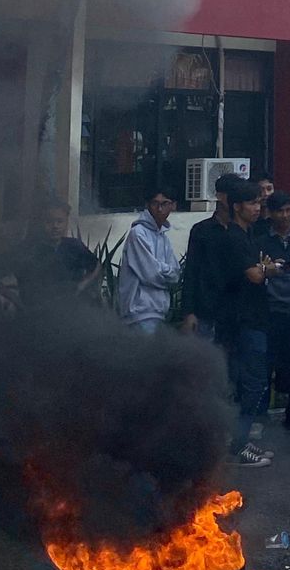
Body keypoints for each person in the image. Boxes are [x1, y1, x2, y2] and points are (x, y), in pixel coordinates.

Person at [218, 178, 278, 468]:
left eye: (258, 202)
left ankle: (241, 440)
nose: (258, 207)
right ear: (237, 206)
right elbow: (255, 274)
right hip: (241, 322)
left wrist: (264, 268)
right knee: (251, 383)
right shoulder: (232, 237)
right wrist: (267, 269)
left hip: (254, 318)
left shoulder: (249, 234)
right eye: (252, 202)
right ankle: (238, 444)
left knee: (254, 382)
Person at [0, 198, 100, 310]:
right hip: (37, 315)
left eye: (60, 221)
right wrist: (15, 299)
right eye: (49, 222)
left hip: (72, 312)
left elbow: (96, 266)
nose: (55, 226)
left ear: (66, 221)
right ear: (39, 222)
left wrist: (83, 285)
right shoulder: (26, 249)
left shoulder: (74, 246)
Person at [258, 191, 290, 434]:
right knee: (266, 364)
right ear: (270, 213)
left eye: (289, 210)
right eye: (280, 211)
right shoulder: (262, 239)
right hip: (271, 308)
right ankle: (259, 416)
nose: (285, 216)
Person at [183, 173, 242, 340]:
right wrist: (189, 312)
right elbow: (191, 272)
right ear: (220, 196)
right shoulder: (201, 230)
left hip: (235, 313)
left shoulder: (244, 230)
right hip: (206, 311)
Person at [117, 186, 181, 333]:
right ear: (147, 205)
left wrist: (161, 268)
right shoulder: (138, 234)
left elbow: (176, 274)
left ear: (173, 206)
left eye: (165, 203)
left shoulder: (163, 236)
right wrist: (165, 270)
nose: (159, 209)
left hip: (158, 311)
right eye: (155, 203)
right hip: (139, 313)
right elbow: (151, 275)